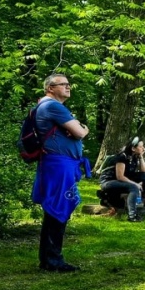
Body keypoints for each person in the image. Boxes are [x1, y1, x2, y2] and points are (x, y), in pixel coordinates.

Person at [32, 73, 89, 272]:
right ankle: (53, 261)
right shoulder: (52, 106)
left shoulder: (46, 106)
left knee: (55, 210)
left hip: (57, 164)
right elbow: (80, 132)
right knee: (57, 209)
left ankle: (49, 259)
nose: (68, 87)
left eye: (68, 84)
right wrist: (83, 128)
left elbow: (73, 131)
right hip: (58, 165)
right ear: (50, 88)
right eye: (63, 84)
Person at [100, 137, 145, 221]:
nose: (143, 148)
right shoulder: (122, 157)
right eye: (141, 146)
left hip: (122, 179)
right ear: (133, 148)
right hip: (109, 181)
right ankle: (132, 216)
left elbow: (144, 170)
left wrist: (141, 157)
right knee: (133, 188)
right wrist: (135, 184)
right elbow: (120, 176)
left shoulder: (134, 156)